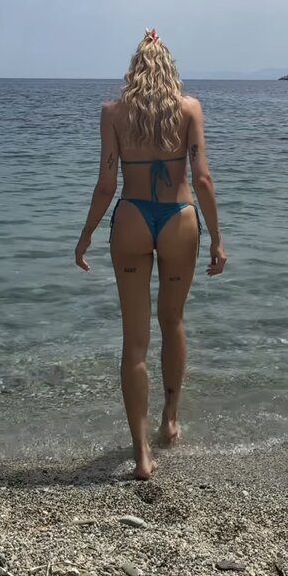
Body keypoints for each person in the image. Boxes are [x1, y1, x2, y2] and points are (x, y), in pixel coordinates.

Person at [74, 28, 227, 480]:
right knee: (173, 321)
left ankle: (141, 454)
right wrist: (217, 237)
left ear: (133, 70)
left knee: (134, 340)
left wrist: (85, 235)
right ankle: (170, 420)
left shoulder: (113, 114)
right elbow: (202, 179)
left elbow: (107, 183)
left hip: (132, 220)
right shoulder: (189, 109)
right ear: (169, 68)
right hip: (179, 218)